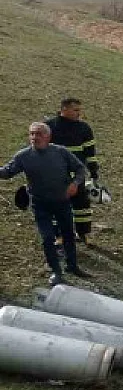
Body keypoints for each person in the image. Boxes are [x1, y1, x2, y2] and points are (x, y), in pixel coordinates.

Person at [0, 122, 92, 286]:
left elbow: (80, 169)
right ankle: (56, 271)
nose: (35, 137)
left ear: (48, 137)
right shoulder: (23, 156)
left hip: (62, 201)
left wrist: (75, 184)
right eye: (32, 134)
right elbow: (7, 172)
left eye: (39, 133)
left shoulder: (61, 152)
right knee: (47, 238)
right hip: (40, 204)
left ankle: (72, 266)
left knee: (68, 235)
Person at [45, 98, 98, 244]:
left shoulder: (84, 128)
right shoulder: (49, 127)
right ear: (64, 109)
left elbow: (90, 153)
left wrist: (94, 172)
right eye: (75, 110)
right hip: (55, 175)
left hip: (77, 175)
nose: (79, 113)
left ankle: (84, 234)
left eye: (79, 110)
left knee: (82, 205)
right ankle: (60, 236)